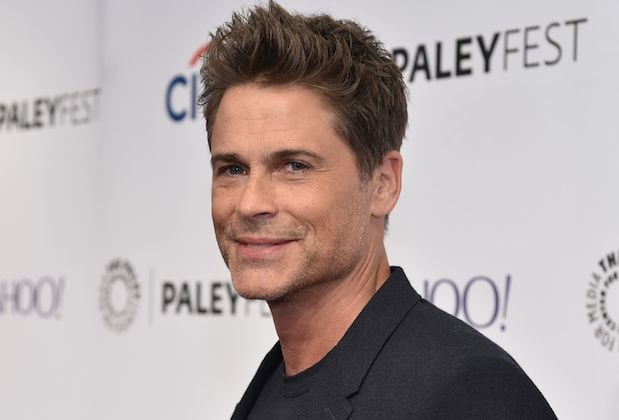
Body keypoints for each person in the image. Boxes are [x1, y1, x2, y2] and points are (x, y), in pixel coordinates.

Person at [199, 1, 557, 418]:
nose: (250, 203)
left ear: (383, 184)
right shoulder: (274, 383)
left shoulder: (470, 394)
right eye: (233, 169)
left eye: (294, 166)